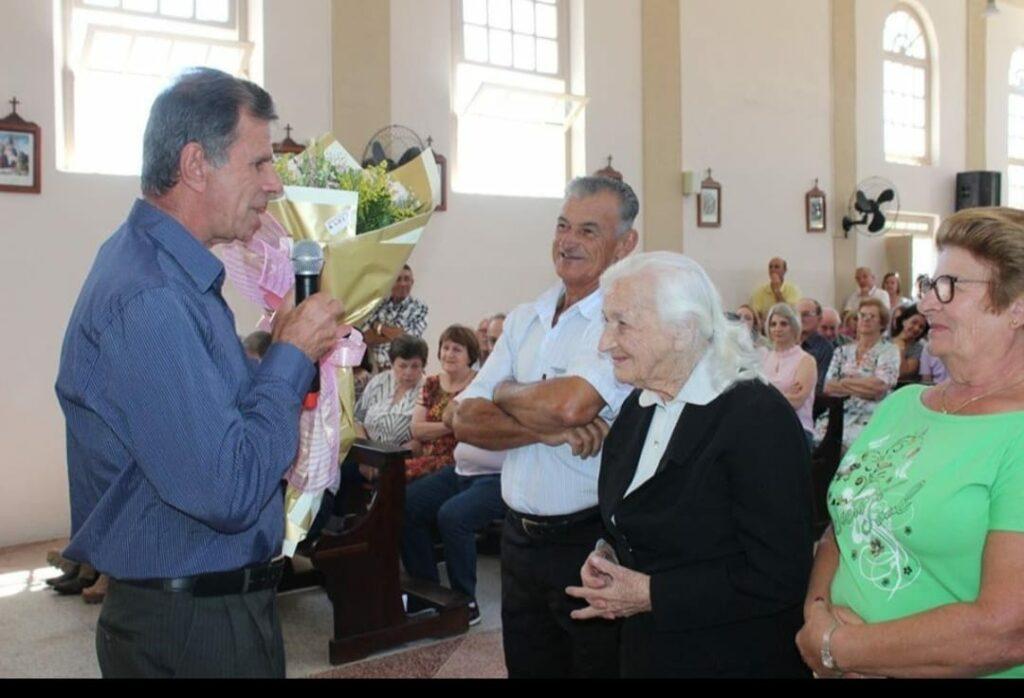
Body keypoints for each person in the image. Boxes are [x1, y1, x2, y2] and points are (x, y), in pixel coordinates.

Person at [54, 68, 344, 678]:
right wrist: (289, 357)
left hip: (203, 609)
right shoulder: (152, 297)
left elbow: (218, 417)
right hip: (192, 630)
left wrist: (281, 356)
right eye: (259, 164)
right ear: (195, 164)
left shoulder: (171, 276)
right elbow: (229, 489)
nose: (274, 186)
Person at [796, 207, 1024, 678]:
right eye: (929, 284)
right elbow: (844, 526)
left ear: (1017, 305)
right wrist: (818, 616)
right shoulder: (904, 406)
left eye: (950, 287)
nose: (927, 305)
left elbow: (1006, 629)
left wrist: (848, 649)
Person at [564, 253, 812, 678]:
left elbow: (780, 574)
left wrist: (650, 592)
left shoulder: (756, 417)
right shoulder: (639, 407)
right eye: (606, 322)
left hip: (732, 657)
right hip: (652, 652)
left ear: (682, 331)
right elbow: (636, 518)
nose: (604, 343)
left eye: (621, 323)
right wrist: (610, 555)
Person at [452, 176, 639, 678]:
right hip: (518, 542)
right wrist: (546, 429)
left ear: (625, 245)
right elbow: (463, 418)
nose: (568, 240)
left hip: (587, 542)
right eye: (562, 225)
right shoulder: (524, 318)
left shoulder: (623, 321)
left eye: (588, 230)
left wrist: (506, 391)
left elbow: (571, 406)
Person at [401, 440, 507, 626]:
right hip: (461, 471)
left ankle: (465, 602)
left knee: (453, 516)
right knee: (405, 503)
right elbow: (452, 419)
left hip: (501, 476)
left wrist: (467, 421)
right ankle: (426, 594)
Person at [813, 298, 900, 451]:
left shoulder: (889, 351)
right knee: (816, 442)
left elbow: (879, 387)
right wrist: (864, 384)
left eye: (872, 316)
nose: (865, 319)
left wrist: (845, 382)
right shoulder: (842, 351)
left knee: (852, 447)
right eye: (862, 315)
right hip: (840, 412)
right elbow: (828, 386)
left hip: (872, 415)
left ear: (882, 323)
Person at [405, 325, 479, 481]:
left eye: (457, 350)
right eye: (445, 348)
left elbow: (472, 428)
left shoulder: (478, 384)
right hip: (427, 457)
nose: (449, 354)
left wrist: (433, 429)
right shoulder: (431, 383)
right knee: (391, 475)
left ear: (470, 356)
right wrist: (451, 425)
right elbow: (416, 429)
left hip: (459, 463)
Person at [354, 334, 428, 453]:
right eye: (402, 366)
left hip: (404, 458)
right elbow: (357, 420)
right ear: (392, 363)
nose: (408, 372)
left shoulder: (428, 389)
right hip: (368, 454)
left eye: (415, 366)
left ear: (423, 365)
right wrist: (366, 454)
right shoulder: (378, 382)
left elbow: (425, 438)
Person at [763, 303, 819, 448]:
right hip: (766, 425)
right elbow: (753, 396)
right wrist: (784, 394)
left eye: (783, 324)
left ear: (794, 327)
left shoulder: (806, 360)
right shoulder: (764, 358)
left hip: (797, 428)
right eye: (773, 324)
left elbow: (796, 401)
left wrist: (766, 396)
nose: (777, 329)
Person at [362, 264, 429, 371]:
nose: (402, 284)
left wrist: (378, 327)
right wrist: (396, 333)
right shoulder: (378, 305)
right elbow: (366, 337)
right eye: (398, 279)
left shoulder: (420, 307)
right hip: (381, 371)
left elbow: (409, 339)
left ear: (412, 282)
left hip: (409, 373)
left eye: (406, 279)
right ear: (391, 282)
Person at [797, 298, 834, 395]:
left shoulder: (825, 348)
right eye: (797, 314)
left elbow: (820, 385)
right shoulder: (789, 344)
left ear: (819, 319)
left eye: (806, 314)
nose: (800, 318)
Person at [890, 303, 929, 381]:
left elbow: (903, 374)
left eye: (921, 327)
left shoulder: (919, 349)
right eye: (914, 322)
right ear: (904, 321)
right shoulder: (885, 341)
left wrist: (900, 348)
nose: (916, 328)